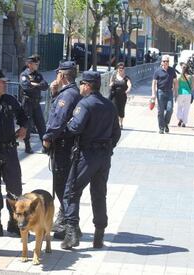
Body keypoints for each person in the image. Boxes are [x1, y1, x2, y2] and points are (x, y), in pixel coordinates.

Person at [60, 71, 121, 250]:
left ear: (87, 85)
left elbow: (75, 127)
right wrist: (106, 148)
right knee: (99, 194)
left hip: (87, 155)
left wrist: (67, 125)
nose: (80, 87)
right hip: (104, 157)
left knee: (71, 191)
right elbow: (116, 133)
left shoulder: (85, 104)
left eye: (82, 84)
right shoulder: (109, 105)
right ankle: (99, 236)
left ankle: (72, 234)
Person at [0, 69, 28, 238]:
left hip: (9, 150)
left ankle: (14, 223)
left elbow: (23, 117)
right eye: (2, 82)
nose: (5, 84)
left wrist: (24, 128)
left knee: (15, 187)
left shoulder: (10, 100)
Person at [42, 61, 81, 239]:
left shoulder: (69, 95)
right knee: (63, 184)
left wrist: (47, 137)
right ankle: (65, 218)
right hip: (65, 145)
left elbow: (58, 119)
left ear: (62, 75)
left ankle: (68, 222)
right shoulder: (67, 93)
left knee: (62, 184)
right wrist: (54, 92)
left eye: (58, 73)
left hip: (63, 146)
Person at [20, 54, 49, 153]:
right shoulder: (24, 75)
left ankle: (45, 146)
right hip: (27, 103)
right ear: (29, 64)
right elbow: (26, 86)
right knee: (27, 125)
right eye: (35, 64)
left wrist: (34, 84)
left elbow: (45, 86)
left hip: (36, 103)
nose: (37, 65)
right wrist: (37, 85)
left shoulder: (38, 75)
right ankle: (27, 146)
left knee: (41, 124)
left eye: (38, 63)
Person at [151, 55, 178, 134]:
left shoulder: (172, 70)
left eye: (167, 61)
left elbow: (175, 82)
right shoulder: (157, 71)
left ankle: (166, 123)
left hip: (169, 92)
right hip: (160, 92)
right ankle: (161, 127)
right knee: (160, 111)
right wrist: (153, 94)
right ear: (161, 62)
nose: (165, 63)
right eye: (164, 61)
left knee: (170, 110)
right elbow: (154, 83)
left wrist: (176, 93)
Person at [109, 62, 132, 129]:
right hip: (114, 95)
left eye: (122, 68)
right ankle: (116, 124)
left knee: (121, 109)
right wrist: (111, 85)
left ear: (124, 69)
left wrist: (128, 90)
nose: (121, 69)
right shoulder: (114, 76)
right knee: (114, 109)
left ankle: (121, 123)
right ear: (117, 69)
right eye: (119, 68)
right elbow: (111, 82)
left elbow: (129, 84)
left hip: (122, 96)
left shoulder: (126, 78)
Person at [176, 63, 194, 127]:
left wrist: (176, 93)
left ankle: (180, 118)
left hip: (180, 93)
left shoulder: (179, 76)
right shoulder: (191, 77)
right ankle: (184, 122)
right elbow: (193, 87)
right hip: (188, 94)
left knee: (179, 107)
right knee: (186, 109)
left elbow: (177, 86)